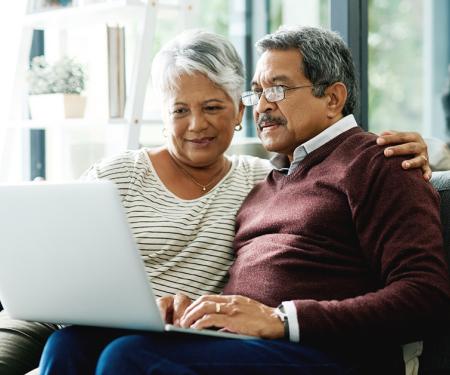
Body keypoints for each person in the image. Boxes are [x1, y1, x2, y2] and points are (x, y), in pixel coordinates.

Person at [0, 29, 430, 375]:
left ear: (333, 98)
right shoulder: (269, 178)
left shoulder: (382, 161)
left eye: (277, 90)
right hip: (234, 341)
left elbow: (425, 294)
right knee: (70, 345)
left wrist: (282, 320)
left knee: (129, 359)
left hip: (326, 353)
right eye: (257, 92)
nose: (262, 105)